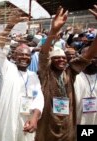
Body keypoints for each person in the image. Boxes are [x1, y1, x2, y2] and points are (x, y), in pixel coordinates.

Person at [35, 6, 97, 141]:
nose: (61, 60)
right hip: (47, 128)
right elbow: (43, 55)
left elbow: (88, 55)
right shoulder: (46, 73)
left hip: (67, 129)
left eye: (63, 58)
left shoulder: (70, 72)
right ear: (50, 61)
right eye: (56, 57)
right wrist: (53, 31)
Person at [0, 44, 44, 141]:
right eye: (21, 54)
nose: (24, 57)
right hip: (7, 122)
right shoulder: (7, 69)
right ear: (14, 56)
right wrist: (9, 27)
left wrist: (34, 118)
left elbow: (39, 99)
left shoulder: (33, 76)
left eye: (27, 55)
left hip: (26, 122)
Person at [74, 47, 97, 124]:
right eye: (90, 57)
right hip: (76, 120)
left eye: (95, 58)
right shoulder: (73, 76)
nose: (93, 60)